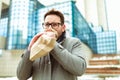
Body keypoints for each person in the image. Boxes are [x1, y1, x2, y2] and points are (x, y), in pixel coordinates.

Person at [17, 9, 87, 80]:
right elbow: (21, 76)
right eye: (47, 24)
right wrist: (29, 51)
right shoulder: (37, 45)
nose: (50, 28)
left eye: (54, 24)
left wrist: (52, 44)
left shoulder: (74, 43)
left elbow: (80, 69)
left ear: (63, 28)